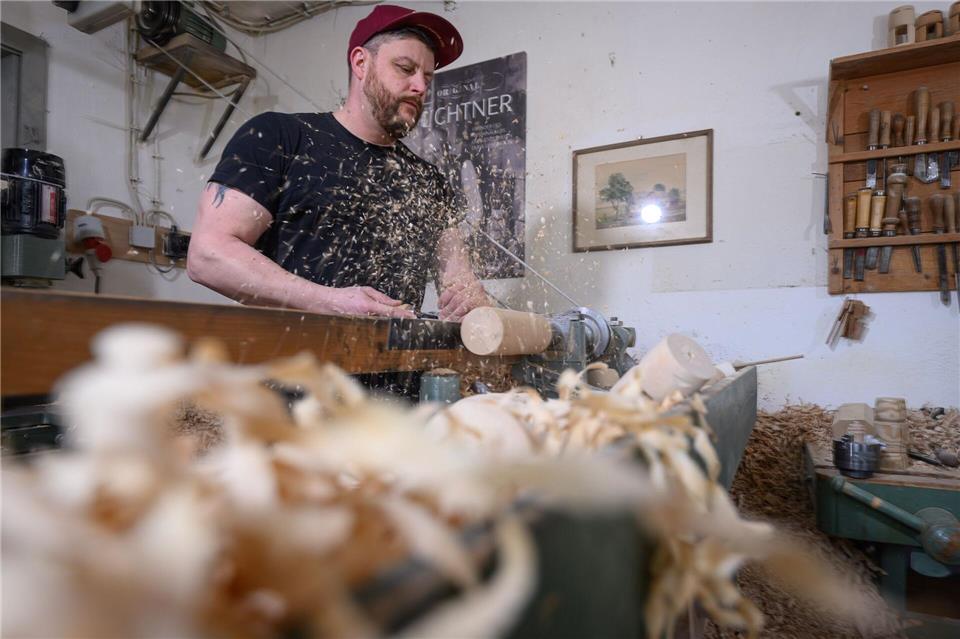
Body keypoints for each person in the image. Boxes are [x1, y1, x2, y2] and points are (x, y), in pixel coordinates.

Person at [187, 4, 490, 322]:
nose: (421, 87)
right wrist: (331, 301)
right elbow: (208, 254)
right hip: (291, 352)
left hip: (397, 355)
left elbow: (458, 280)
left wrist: (471, 300)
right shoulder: (279, 137)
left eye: (427, 77)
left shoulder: (428, 181)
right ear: (361, 62)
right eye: (405, 68)